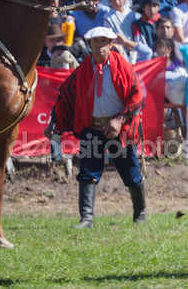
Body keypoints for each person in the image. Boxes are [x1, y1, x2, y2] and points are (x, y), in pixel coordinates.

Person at [49, 27, 147, 228]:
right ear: (90, 44)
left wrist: (120, 120)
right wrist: (53, 123)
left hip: (119, 129)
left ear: (111, 44)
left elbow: (138, 96)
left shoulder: (124, 67)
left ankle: (140, 212)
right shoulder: (84, 68)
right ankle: (87, 219)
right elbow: (65, 95)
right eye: (96, 41)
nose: (100, 46)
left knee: (131, 174)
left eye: (104, 41)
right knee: (87, 173)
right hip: (92, 128)